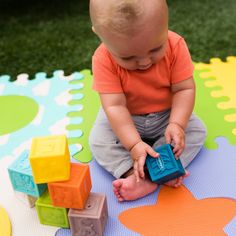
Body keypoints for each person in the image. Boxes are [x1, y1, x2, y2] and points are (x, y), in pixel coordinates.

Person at [89, 0, 206, 202]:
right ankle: (133, 173)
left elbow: (184, 89)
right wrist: (133, 144)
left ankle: (159, 172)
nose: (144, 62)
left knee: (196, 131)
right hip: (126, 118)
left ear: (165, 24)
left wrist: (177, 124)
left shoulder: (175, 45)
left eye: (155, 49)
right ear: (101, 36)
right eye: (128, 57)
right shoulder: (102, 59)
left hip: (166, 115)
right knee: (99, 140)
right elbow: (114, 106)